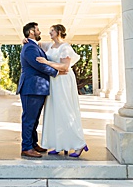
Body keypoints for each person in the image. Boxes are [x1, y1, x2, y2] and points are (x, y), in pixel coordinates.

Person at [37, 24, 89, 157]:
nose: (50, 33)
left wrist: (46, 62)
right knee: (55, 111)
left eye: (52, 31)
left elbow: (65, 67)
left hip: (63, 80)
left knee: (65, 110)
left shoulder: (65, 47)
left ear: (59, 32)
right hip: (54, 81)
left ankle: (79, 144)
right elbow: (37, 43)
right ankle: (59, 144)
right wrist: (24, 40)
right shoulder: (50, 45)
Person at [18, 22, 59, 159]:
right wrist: (56, 72)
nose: (39, 32)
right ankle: (26, 147)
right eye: (37, 30)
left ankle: (33, 143)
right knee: (29, 118)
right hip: (31, 87)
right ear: (31, 32)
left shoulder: (33, 45)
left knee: (34, 118)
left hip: (37, 87)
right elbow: (37, 64)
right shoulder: (29, 47)